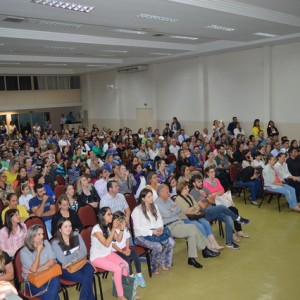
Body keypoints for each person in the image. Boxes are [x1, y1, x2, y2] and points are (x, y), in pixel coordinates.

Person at [155, 184, 219, 269]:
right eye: (167, 192)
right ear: (161, 193)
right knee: (193, 227)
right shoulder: (157, 203)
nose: (169, 193)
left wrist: (172, 210)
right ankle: (205, 250)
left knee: (192, 233)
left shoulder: (168, 199)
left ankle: (191, 258)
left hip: (179, 222)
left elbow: (179, 208)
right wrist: (173, 209)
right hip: (170, 226)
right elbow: (167, 214)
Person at [190, 174, 250, 250]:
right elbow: (203, 206)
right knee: (221, 207)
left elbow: (213, 201)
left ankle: (229, 242)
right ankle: (238, 218)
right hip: (204, 214)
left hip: (213, 210)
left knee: (228, 218)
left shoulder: (204, 189)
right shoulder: (193, 193)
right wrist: (207, 198)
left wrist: (206, 196)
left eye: (201, 181)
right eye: (199, 182)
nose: (201, 183)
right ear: (194, 183)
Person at [131, 188, 175, 274]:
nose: (151, 198)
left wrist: (160, 228)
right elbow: (138, 229)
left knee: (171, 242)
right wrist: (152, 232)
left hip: (156, 232)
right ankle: (153, 267)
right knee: (157, 246)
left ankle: (164, 262)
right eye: (149, 197)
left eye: (151, 196)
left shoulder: (154, 206)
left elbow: (159, 220)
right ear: (143, 199)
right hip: (141, 235)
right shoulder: (137, 211)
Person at [90, 207, 129, 300]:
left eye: (111, 214)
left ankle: (123, 290)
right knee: (117, 269)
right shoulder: (96, 229)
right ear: (102, 216)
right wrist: (113, 229)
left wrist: (122, 228)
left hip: (107, 254)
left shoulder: (108, 226)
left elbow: (118, 239)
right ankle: (121, 295)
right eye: (109, 214)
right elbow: (107, 244)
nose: (112, 216)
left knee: (125, 265)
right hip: (97, 257)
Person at [51, 218, 95, 300]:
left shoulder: (76, 235)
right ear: (60, 229)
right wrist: (77, 253)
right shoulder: (55, 243)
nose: (69, 228)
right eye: (66, 226)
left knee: (90, 269)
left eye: (70, 226)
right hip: (65, 269)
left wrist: (73, 257)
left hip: (79, 263)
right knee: (87, 278)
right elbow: (64, 262)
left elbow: (84, 252)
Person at [203, 166, 250, 239]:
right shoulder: (205, 183)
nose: (214, 173)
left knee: (235, 210)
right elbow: (210, 195)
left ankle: (239, 230)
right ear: (207, 173)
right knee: (227, 214)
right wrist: (217, 193)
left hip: (222, 200)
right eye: (211, 172)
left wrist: (215, 193)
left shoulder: (217, 180)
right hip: (214, 203)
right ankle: (232, 233)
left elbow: (222, 190)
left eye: (214, 171)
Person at [175, 182, 223, 252]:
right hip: (186, 219)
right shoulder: (178, 199)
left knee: (206, 223)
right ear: (180, 190)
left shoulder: (190, 196)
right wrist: (194, 209)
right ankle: (208, 246)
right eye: (185, 188)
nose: (188, 189)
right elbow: (186, 211)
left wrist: (193, 209)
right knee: (200, 226)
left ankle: (214, 243)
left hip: (195, 216)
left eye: (188, 187)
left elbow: (197, 206)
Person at [20, 225, 60, 300]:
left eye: (42, 234)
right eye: (39, 234)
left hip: (48, 275)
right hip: (33, 282)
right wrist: (38, 252)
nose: (42, 237)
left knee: (56, 280)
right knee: (52, 294)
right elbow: (34, 269)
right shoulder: (24, 252)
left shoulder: (46, 243)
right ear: (32, 236)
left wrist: (36, 271)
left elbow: (51, 262)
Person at [112, 211, 146, 287]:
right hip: (117, 251)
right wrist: (123, 252)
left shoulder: (125, 228)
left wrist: (127, 249)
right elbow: (114, 244)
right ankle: (131, 277)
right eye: (119, 221)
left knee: (136, 256)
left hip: (125, 248)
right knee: (127, 261)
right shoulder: (112, 230)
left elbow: (127, 239)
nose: (121, 223)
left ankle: (139, 275)